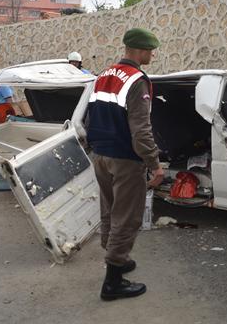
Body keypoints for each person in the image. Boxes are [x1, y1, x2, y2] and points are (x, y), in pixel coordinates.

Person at [86, 28, 164, 301]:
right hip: (125, 158)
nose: (153, 54)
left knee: (109, 209)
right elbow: (141, 131)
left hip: (101, 155)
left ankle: (115, 257)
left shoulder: (104, 75)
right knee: (127, 217)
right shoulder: (137, 80)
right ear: (140, 51)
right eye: (151, 50)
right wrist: (154, 164)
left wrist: (94, 148)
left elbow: (89, 116)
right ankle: (113, 282)